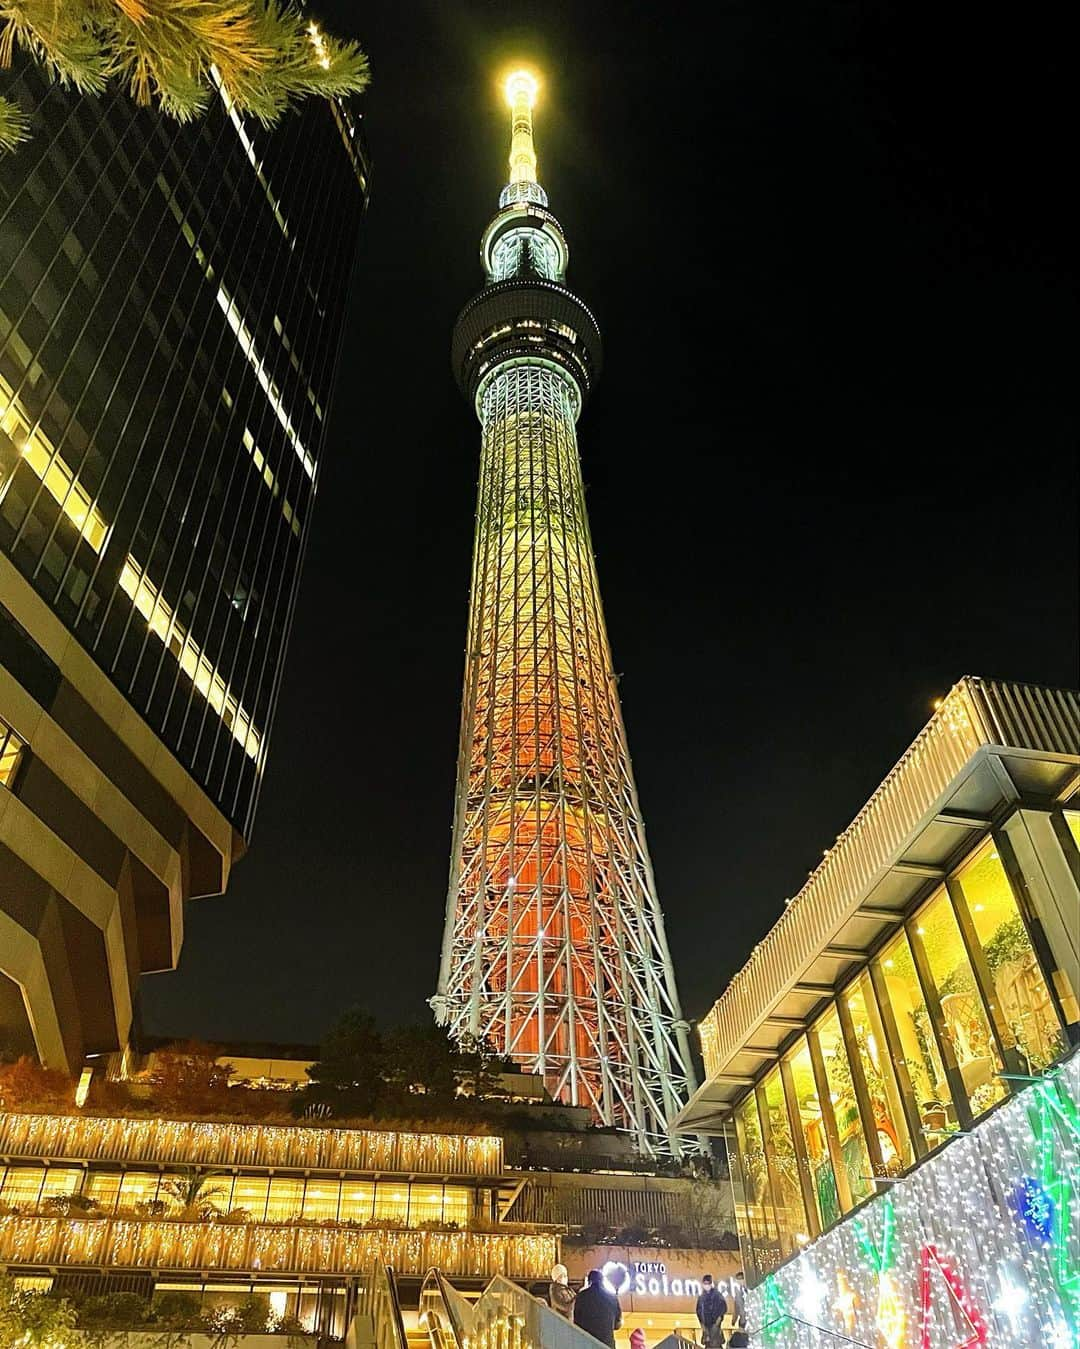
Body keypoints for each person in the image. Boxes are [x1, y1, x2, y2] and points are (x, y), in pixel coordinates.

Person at [573, 1268, 622, 1348]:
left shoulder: (581, 1296)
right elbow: (617, 1324)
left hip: (587, 1343)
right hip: (607, 1344)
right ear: (602, 1281)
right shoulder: (612, 1298)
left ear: (589, 1281)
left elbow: (576, 1321)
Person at [695, 1274, 727, 1349]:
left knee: (715, 1342)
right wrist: (702, 1324)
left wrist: (719, 1319)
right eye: (705, 1283)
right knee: (709, 1343)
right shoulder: (701, 1297)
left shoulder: (717, 1295)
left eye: (707, 1283)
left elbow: (723, 1308)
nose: (706, 1285)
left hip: (714, 1323)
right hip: (706, 1324)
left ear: (710, 1284)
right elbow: (699, 1312)